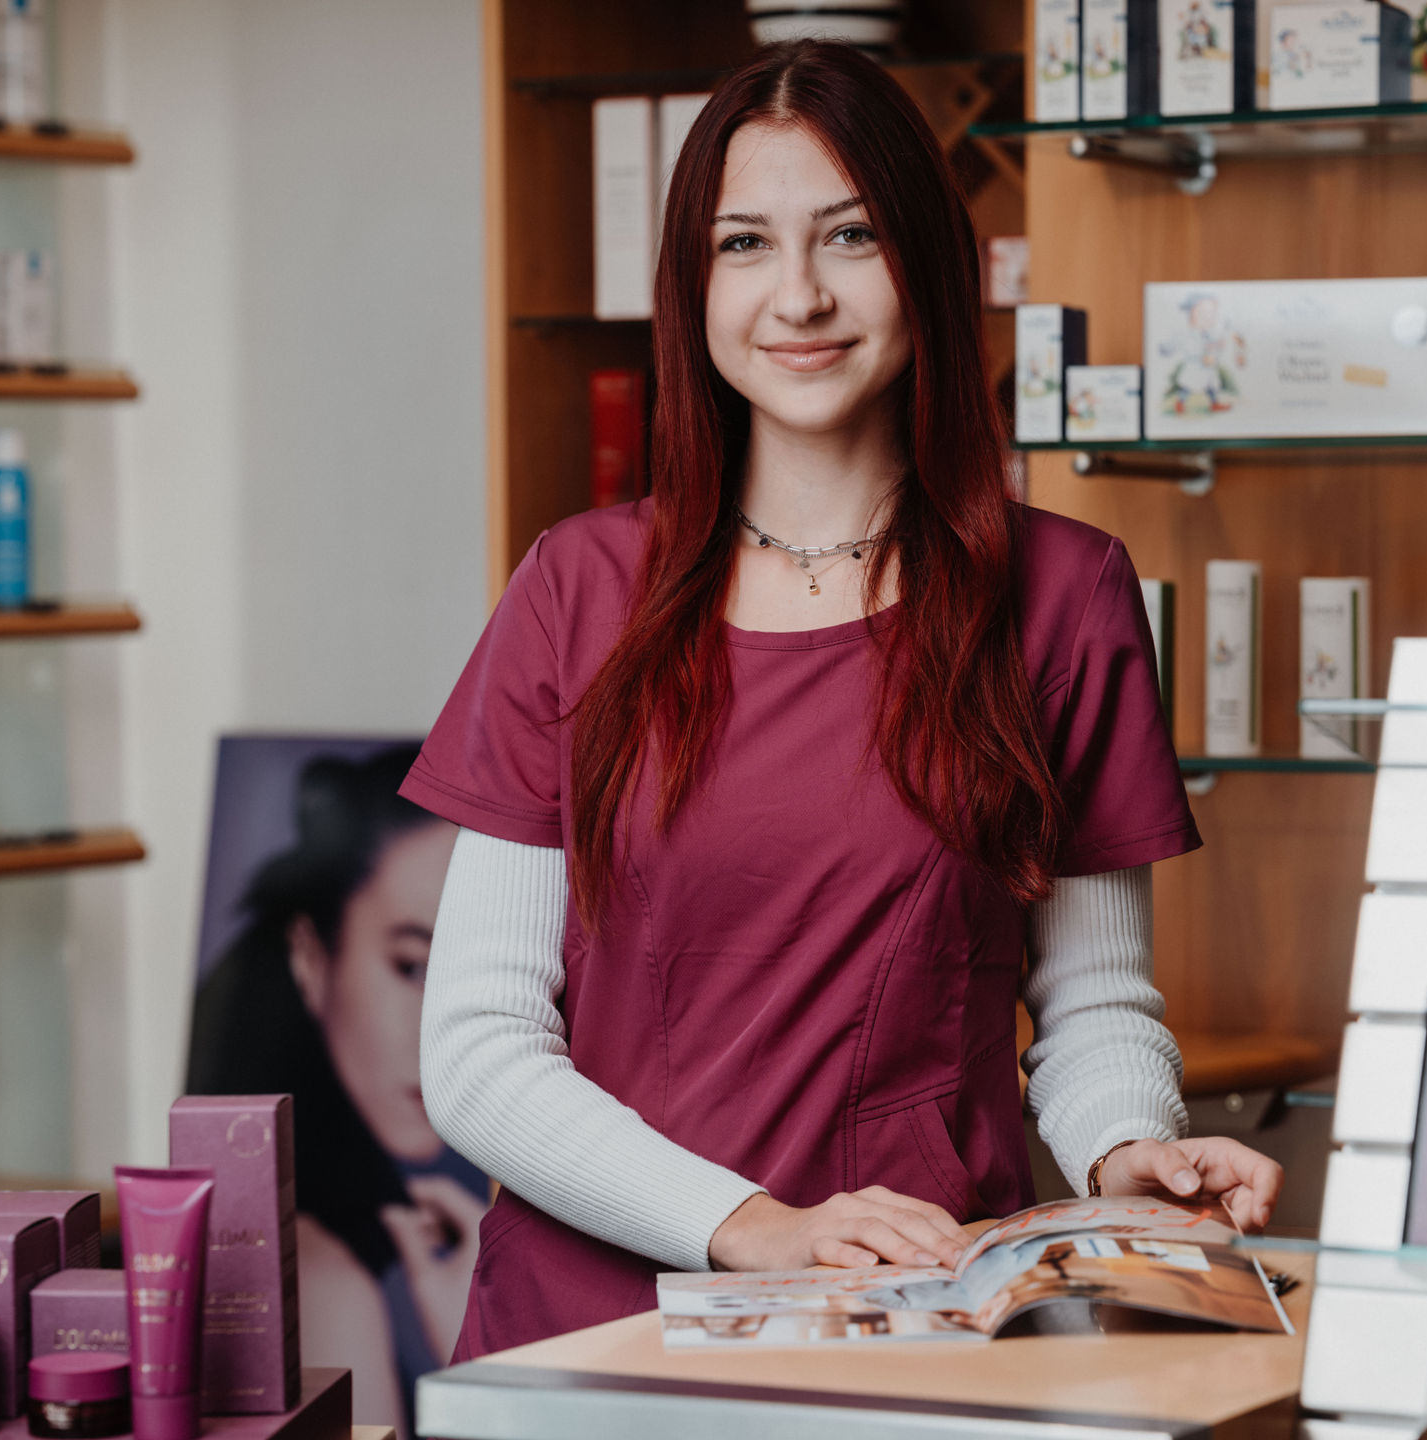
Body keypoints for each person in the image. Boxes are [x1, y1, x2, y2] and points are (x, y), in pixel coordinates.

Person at [406, 39, 1283, 1358]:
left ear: (925, 262)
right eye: (744, 244)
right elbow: (480, 1047)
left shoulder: (1064, 595)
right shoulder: (575, 592)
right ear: (693, 283)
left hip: (916, 1329)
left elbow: (1093, 1000)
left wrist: (1128, 1156)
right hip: (591, 1343)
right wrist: (753, 1226)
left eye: (852, 236)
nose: (800, 295)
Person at [187, 746, 485, 1437]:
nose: (446, 1025)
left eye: (476, 974)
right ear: (311, 959)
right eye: (412, 967)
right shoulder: (324, 1286)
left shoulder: (387, 1241)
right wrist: (477, 1360)